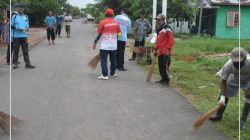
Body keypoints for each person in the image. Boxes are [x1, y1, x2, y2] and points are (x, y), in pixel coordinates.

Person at [210, 47, 250, 130]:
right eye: (235, 62)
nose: (237, 64)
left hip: (247, 80)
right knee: (223, 93)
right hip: (234, 79)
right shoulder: (228, 65)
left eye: (239, 62)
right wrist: (222, 97)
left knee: (249, 97)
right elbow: (223, 81)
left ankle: (242, 121)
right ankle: (219, 115)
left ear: (244, 58)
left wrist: (249, 90)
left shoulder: (249, 63)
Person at [92, 8, 121, 80]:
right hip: (114, 46)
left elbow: (99, 34)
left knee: (104, 60)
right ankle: (113, 73)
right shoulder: (116, 23)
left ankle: (105, 75)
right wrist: (115, 39)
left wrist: (95, 43)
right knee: (113, 60)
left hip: (104, 46)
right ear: (113, 14)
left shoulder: (102, 22)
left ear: (106, 14)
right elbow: (119, 34)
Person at [12, 3, 35, 69]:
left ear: (23, 9)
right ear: (17, 8)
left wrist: (27, 28)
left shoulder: (26, 16)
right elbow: (11, 26)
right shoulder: (14, 16)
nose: (21, 8)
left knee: (25, 51)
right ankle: (16, 64)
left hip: (24, 36)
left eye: (22, 7)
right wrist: (17, 28)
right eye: (20, 7)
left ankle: (27, 64)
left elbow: (27, 26)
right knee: (16, 50)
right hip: (16, 36)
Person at [154, 14, 174, 86]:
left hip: (166, 51)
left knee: (165, 66)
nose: (157, 21)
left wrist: (168, 48)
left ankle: (167, 80)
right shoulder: (159, 28)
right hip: (160, 51)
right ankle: (163, 79)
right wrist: (156, 48)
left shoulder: (167, 28)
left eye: (159, 19)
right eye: (157, 19)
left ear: (163, 19)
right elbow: (158, 40)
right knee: (160, 66)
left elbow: (171, 39)